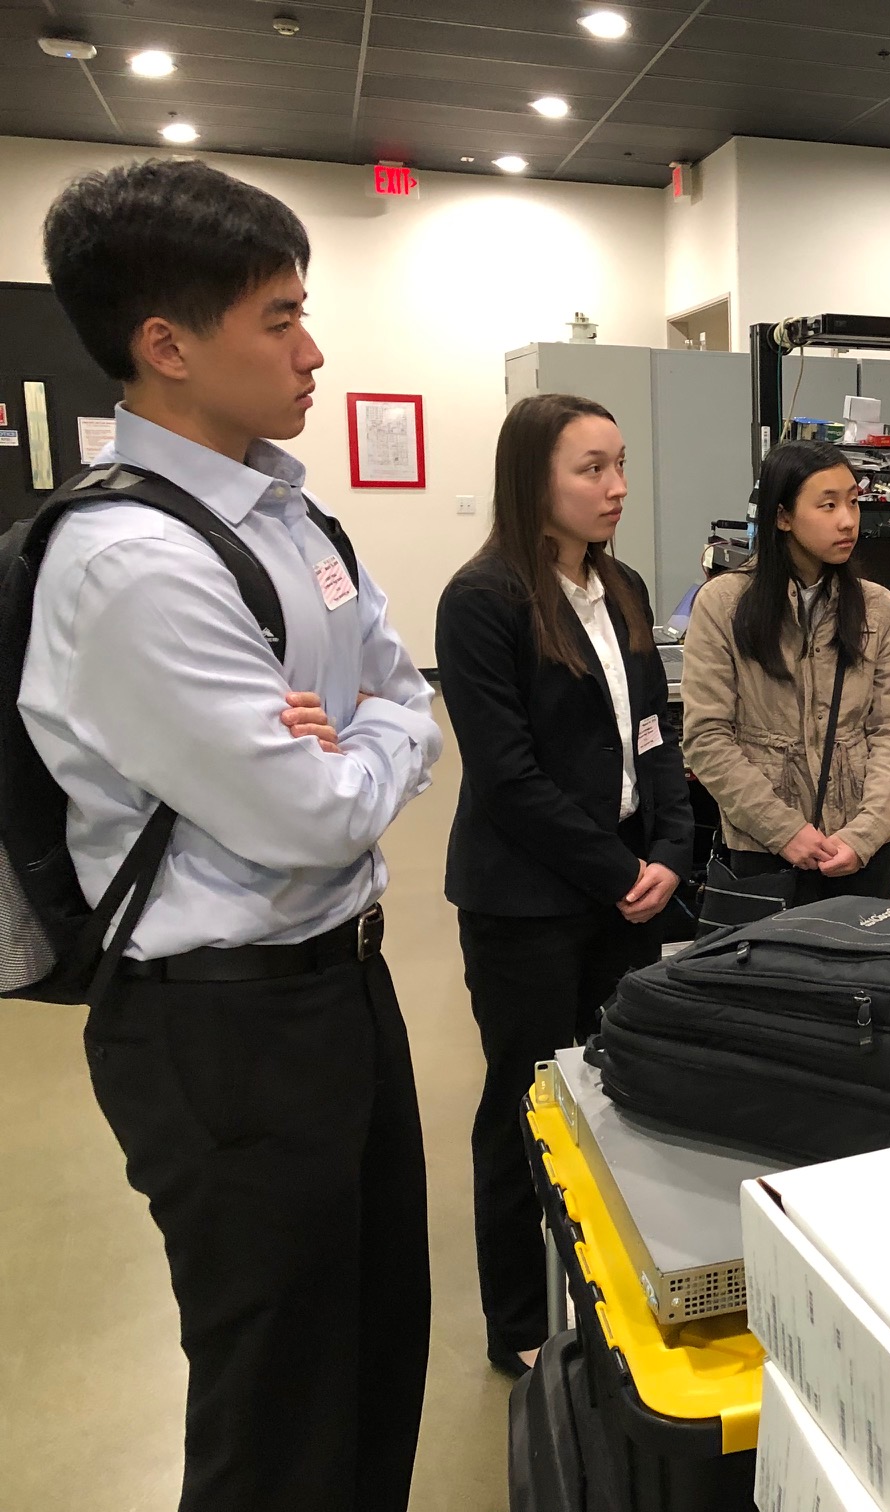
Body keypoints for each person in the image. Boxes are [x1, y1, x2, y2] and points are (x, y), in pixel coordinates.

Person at [26, 160, 442, 1512]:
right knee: (277, 1401)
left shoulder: (288, 513)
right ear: (167, 345)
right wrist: (359, 743)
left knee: (378, 1340)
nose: (313, 349)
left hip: (343, 985)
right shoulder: (131, 565)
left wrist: (358, 730)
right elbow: (309, 816)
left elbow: (405, 695)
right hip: (221, 1029)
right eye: (279, 318)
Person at [435, 393, 694, 1377]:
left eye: (620, 464)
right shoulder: (485, 599)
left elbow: (656, 735)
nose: (616, 486)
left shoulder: (620, 585)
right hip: (528, 904)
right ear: (532, 479)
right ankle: (518, 1324)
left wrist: (670, 845)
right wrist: (622, 868)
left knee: (614, 1093)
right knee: (527, 1102)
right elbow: (508, 778)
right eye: (591, 468)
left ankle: (608, 1286)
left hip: (626, 888)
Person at [681, 440, 890, 903]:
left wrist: (864, 834)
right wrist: (784, 830)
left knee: (858, 969)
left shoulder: (875, 606)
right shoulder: (723, 604)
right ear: (783, 516)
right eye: (827, 505)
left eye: (853, 501)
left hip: (860, 845)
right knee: (776, 971)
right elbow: (707, 737)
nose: (848, 520)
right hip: (764, 844)